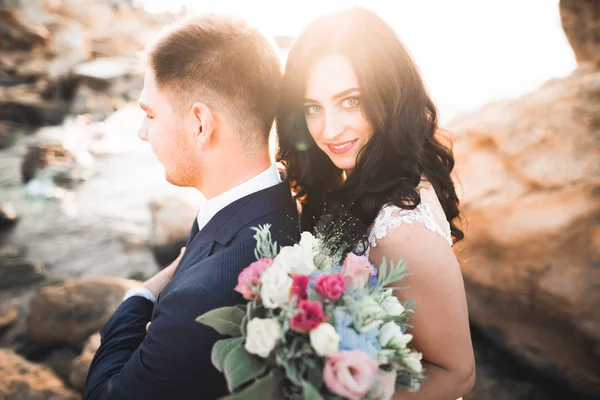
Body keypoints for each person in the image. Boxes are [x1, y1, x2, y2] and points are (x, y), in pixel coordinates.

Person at [83, 14, 299, 400]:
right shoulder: (283, 199)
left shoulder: (202, 298)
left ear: (200, 123)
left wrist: (144, 295)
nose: (142, 131)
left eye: (150, 114)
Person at [277, 7, 475, 399]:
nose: (330, 129)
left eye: (350, 101)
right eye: (313, 108)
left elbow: (457, 374)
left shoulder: (401, 231)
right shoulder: (358, 176)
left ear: (389, 95)